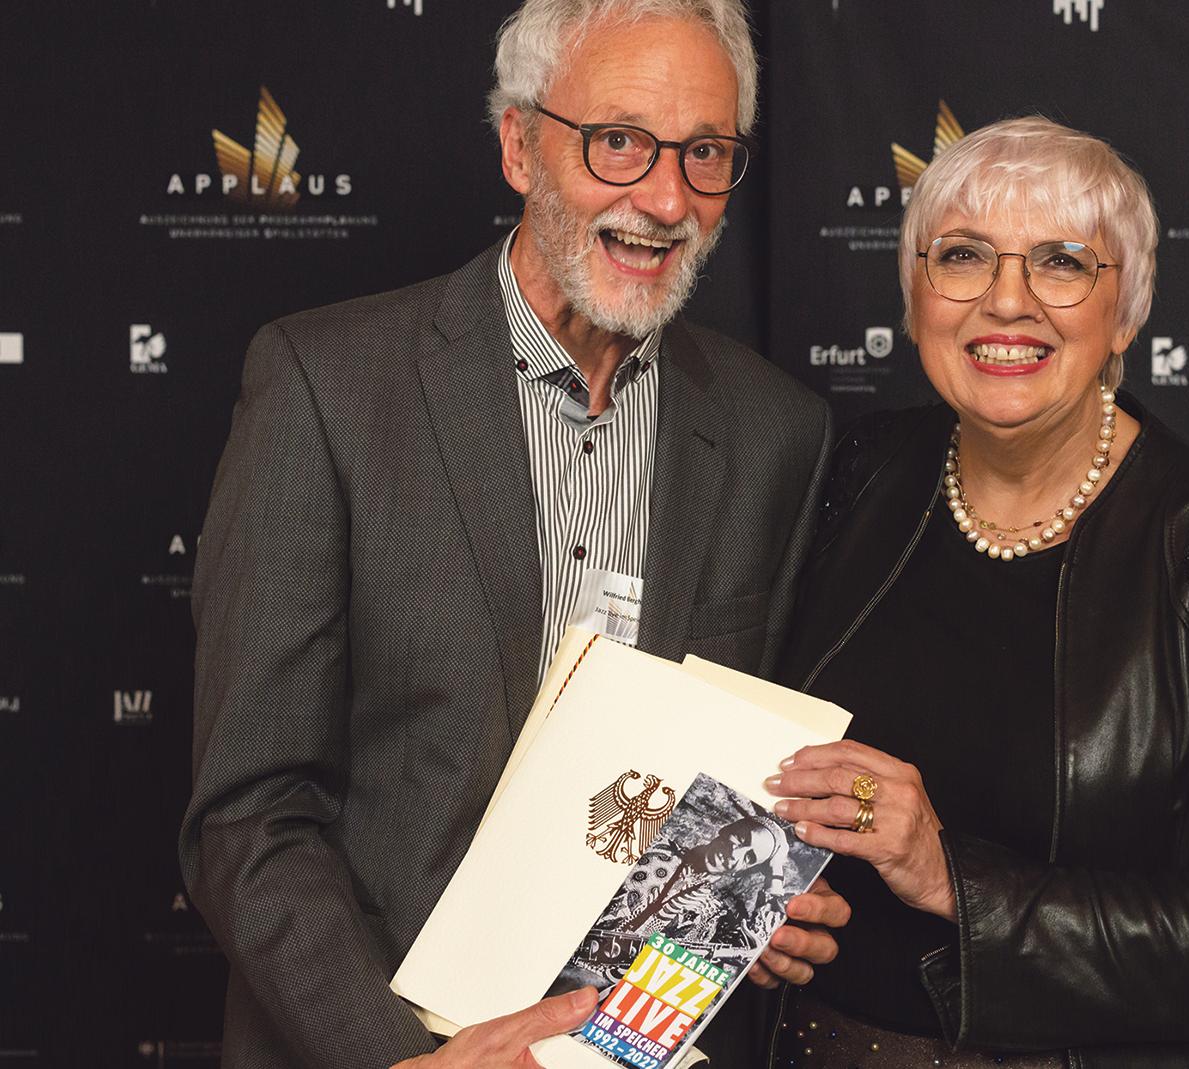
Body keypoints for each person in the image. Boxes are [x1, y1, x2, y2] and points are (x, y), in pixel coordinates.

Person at [179, 3, 848, 1068]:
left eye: (706, 153)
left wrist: (746, 900)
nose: (666, 199)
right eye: (619, 141)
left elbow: (719, 793)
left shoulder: (778, 433)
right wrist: (401, 1060)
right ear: (520, 146)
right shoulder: (327, 387)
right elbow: (250, 811)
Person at [765, 117, 1189, 1068]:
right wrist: (752, 904)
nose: (1008, 302)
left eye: (1062, 263)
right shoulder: (854, 473)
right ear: (916, 294)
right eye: (964, 256)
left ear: (1127, 312)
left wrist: (952, 877)